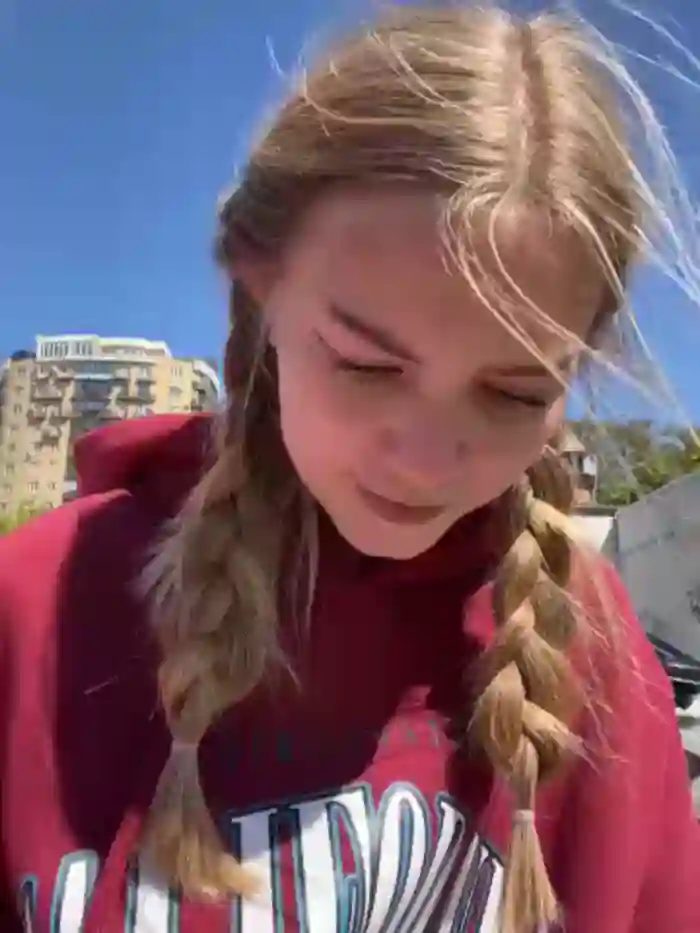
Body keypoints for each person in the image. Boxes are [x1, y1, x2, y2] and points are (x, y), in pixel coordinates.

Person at [1, 4, 698, 933]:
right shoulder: (34, 605)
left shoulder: (597, 665)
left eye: (513, 393)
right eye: (368, 366)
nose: (426, 459)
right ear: (258, 284)